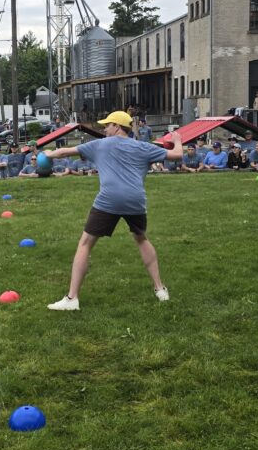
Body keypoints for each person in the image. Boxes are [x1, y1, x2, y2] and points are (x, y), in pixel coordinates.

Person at [43, 110, 182, 311]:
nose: (104, 128)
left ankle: (72, 299)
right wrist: (177, 139)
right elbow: (177, 155)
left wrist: (48, 154)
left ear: (117, 127)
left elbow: (64, 152)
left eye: (107, 125)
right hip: (135, 200)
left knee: (85, 243)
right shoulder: (143, 146)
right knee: (141, 238)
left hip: (109, 200)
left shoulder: (100, 145)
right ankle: (160, 289)